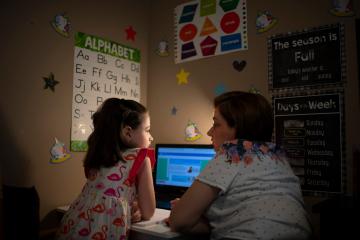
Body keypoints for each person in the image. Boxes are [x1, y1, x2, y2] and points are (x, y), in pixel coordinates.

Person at [169, 91, 312, 240]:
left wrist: (190, 212)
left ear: (238, 128)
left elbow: (179, 221)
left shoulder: (232, 154)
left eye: (216, 124)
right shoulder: (278, 158)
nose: (209, 132)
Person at [56, 98, 156, 240]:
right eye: (147, 130)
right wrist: (140, 208)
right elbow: (149, 212)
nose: (150, 137)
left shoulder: (98, 156)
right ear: (128, 132)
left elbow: (110, 193)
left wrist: (132, 204)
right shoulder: (141, 159)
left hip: (72, 226)